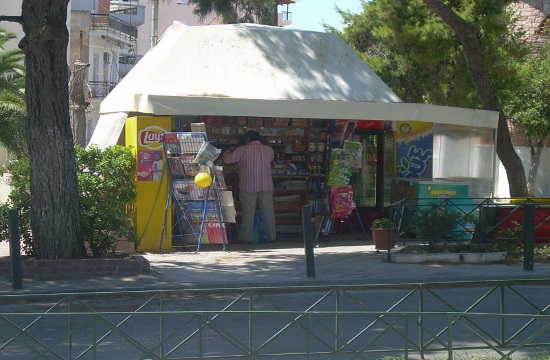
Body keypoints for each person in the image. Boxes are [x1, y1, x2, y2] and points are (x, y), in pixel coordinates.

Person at [223, 130, 276, 243]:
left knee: (248, 212)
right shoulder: (269, 150)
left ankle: (245, 238)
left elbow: (227, 160)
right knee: (268, 212)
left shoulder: (242, 149)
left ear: (247, 139)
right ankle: (272, 237)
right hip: (266, 185)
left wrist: (228, 150)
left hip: (248, 186)